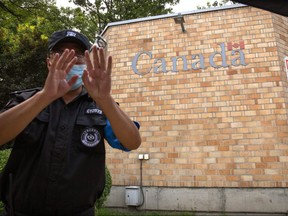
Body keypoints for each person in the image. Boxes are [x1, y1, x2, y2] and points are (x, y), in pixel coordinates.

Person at [0, 29, 141, 216]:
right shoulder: (26, 100)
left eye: (78, 56)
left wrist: (105, 99)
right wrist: (45, 96)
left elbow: (131, 142)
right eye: (62, 54)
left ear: (86, 64)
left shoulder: (100, 105)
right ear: (49, 61)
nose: (71, 60)